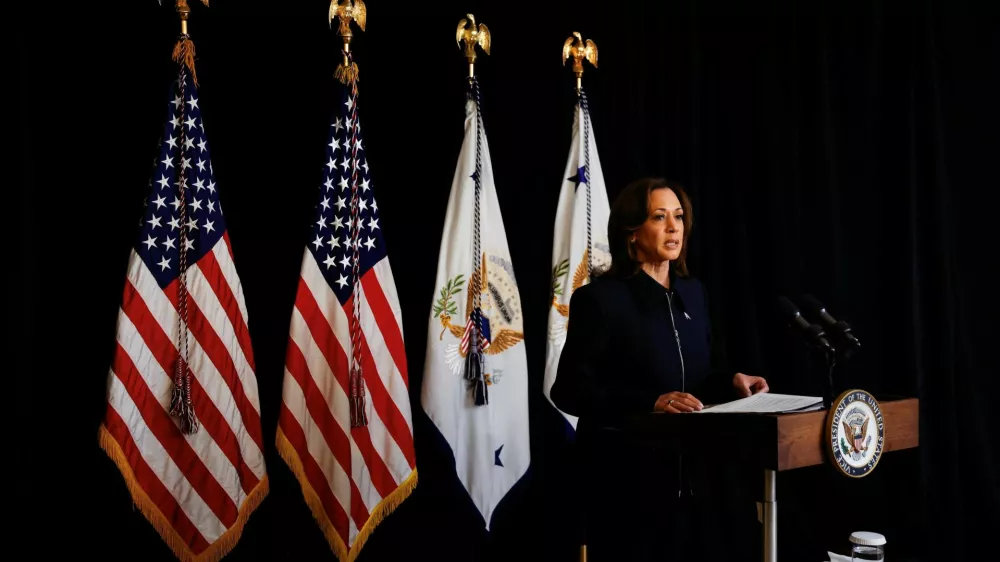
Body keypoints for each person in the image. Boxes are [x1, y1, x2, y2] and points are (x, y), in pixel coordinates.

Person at [551, 177, 768, 561]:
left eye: (679, 217)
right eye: (659, 217)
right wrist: (650, 401)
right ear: (631, 232)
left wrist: (731, 381)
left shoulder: (694, 293)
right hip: (628, 486)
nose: (673, 227)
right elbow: (569, 390)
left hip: (698, 483)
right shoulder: (599, 300)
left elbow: (697, 379)